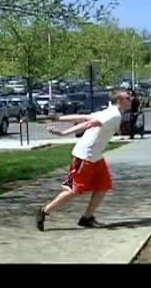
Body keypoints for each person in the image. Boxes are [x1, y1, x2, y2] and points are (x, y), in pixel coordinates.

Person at [35, 88, 131, 231]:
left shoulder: (108, 112)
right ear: (119, 101)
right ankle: (44, 211)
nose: (131, 100)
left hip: (96, 156)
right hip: (85, 155)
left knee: (103, 185)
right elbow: (88, 124)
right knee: (75, 190)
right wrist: (63, 133)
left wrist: (58, 118)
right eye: (128, 98)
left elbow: (84, 117)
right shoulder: (113, 115)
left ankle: (87, 218)